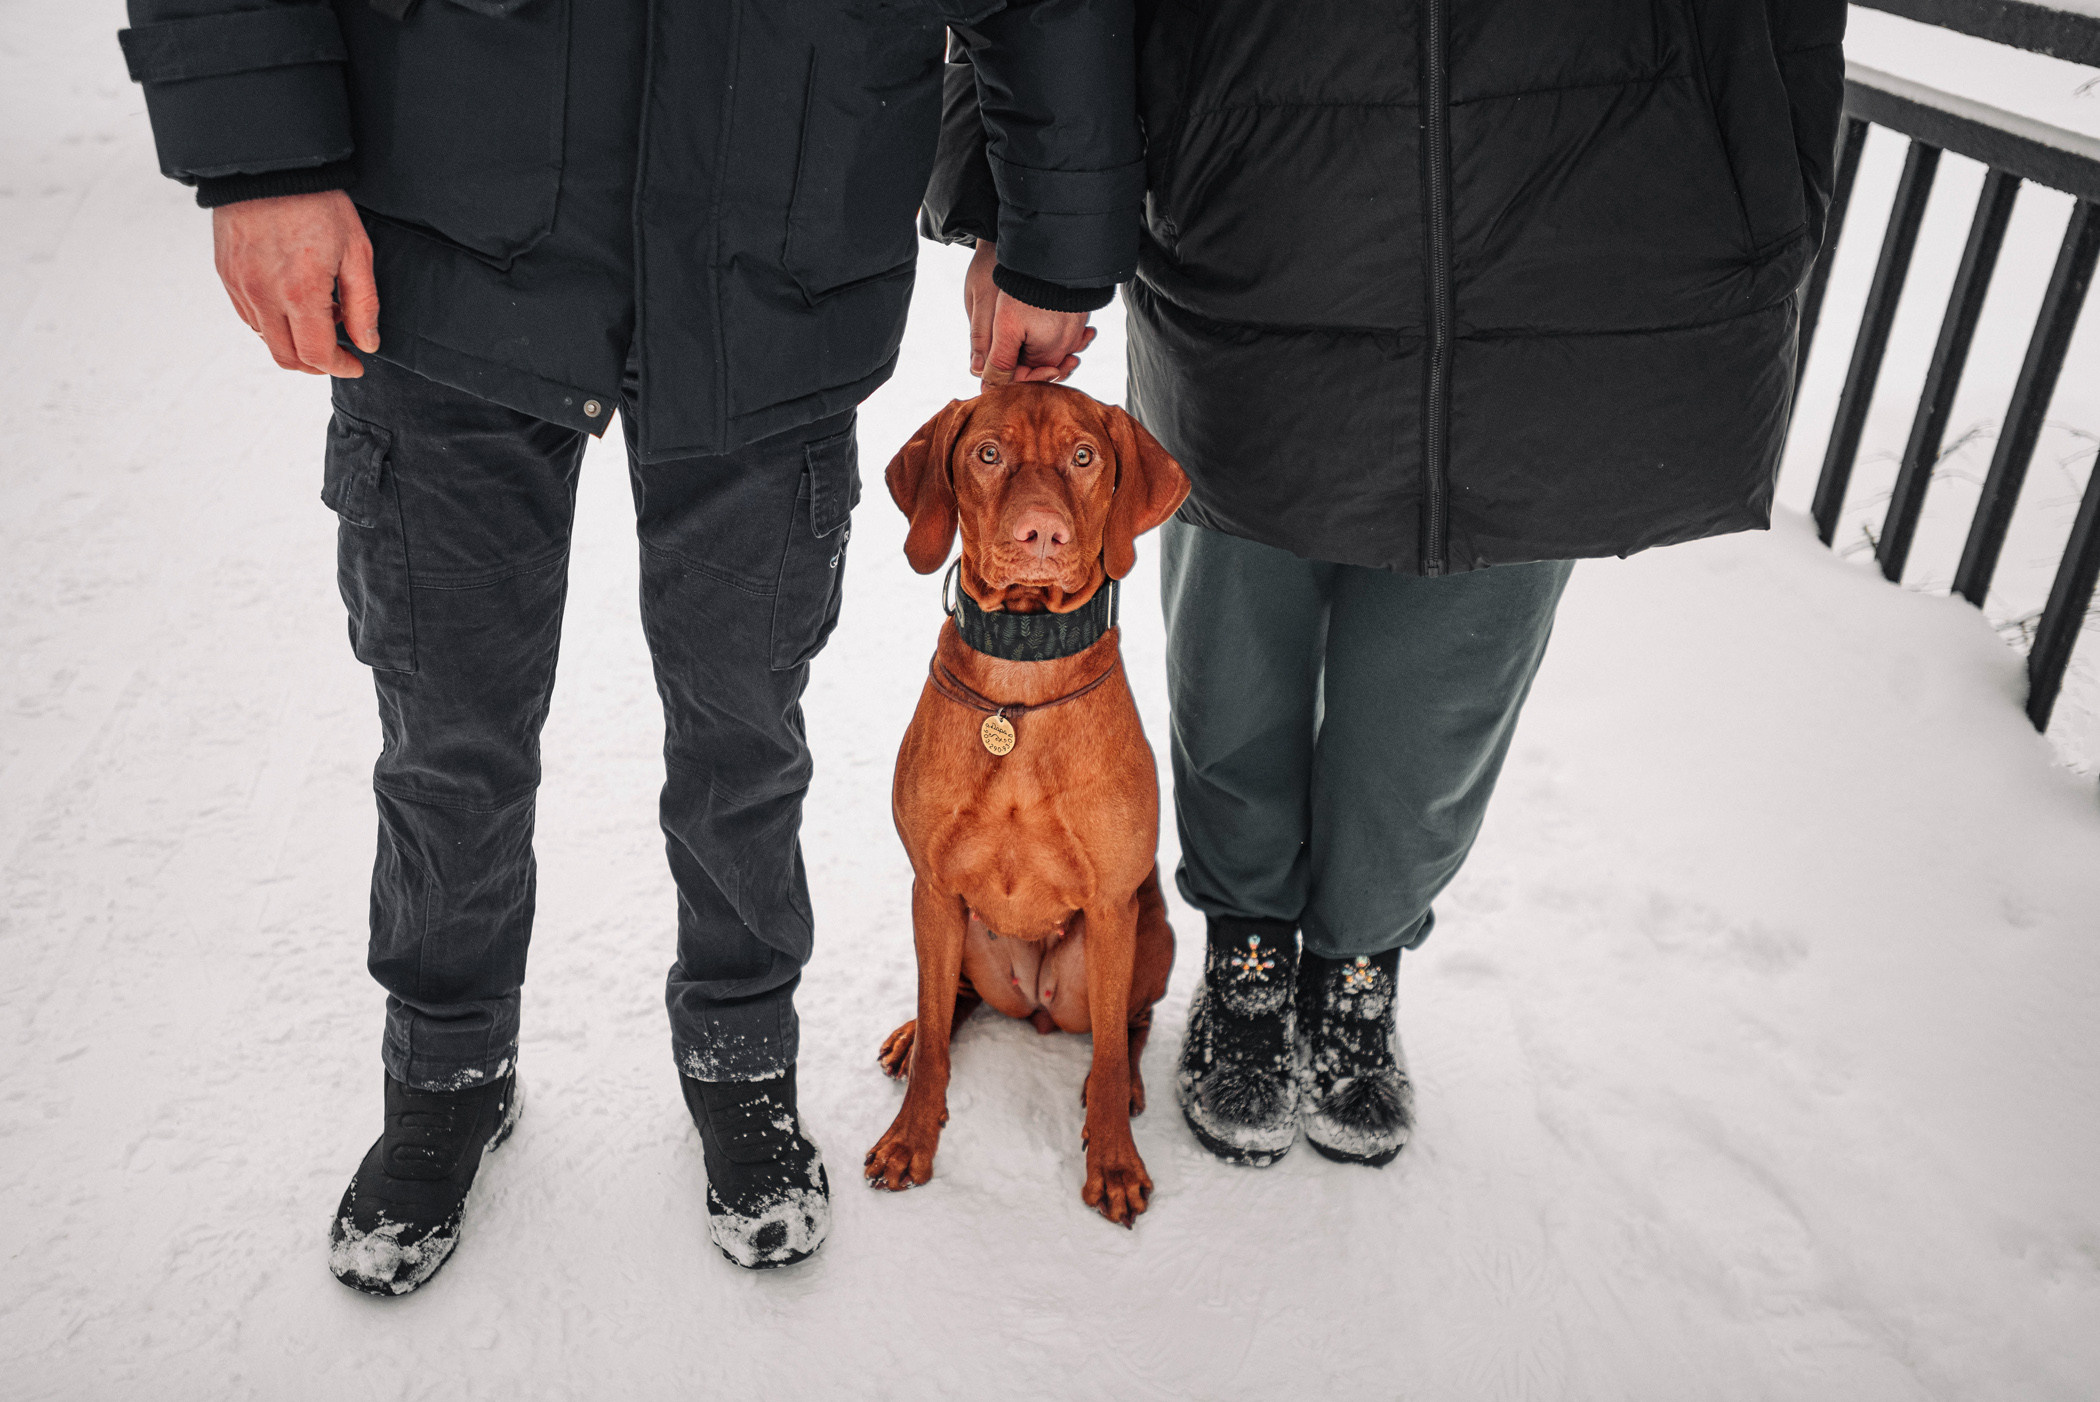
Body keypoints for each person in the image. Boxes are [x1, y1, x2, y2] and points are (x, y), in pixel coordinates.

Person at [116, 0, 1141, 1286]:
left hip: (782, 251)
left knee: (744, 735)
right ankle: (446, 1073)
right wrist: (265, 157)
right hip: (440, 235)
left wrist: (1041, 227)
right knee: (450, 732)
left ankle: (742, 1059)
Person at [928, 1, 1846, 1167]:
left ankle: (1361, 959)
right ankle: (1249, 944)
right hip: (1252, 181)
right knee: (1237, 625)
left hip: (1580, 209)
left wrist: (1771, 181)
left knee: (1454, 659)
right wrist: (1023, 205)